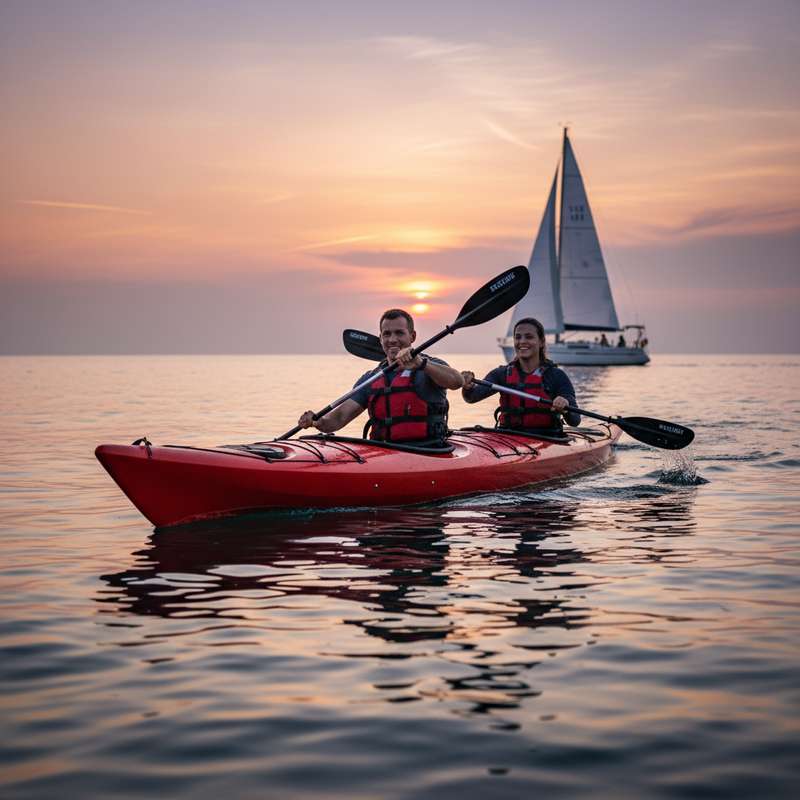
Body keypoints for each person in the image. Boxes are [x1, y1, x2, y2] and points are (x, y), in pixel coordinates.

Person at [297, 309, 464, 444]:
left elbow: (457, 381)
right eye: (387, 334)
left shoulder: (429, 366)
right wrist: (317, 422)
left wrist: (421, 363)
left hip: (427, 449)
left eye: (399, 333)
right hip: (383, 452)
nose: (392, 339)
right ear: (380, 338)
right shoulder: (371, 379)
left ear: (412, 337)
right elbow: (339, 418)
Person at [461, 317, 580, 434]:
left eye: (529, 337)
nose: (522, 341)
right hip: (508, 439)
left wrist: (565, 404)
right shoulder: (501, 374)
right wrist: (467, 387)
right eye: (518, 337)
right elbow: (472, 397)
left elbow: (575, 420)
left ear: (541, 342)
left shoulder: (556, 376)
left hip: (546, 438)